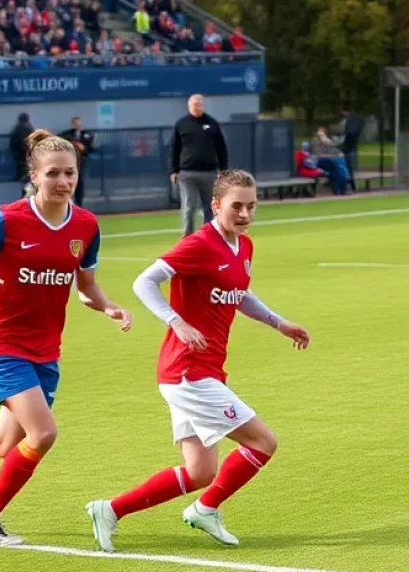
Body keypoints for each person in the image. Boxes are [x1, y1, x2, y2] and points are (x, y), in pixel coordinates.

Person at [86, 170, 310, 552]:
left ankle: (109, 510)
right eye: (236, 205)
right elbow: (144, 281)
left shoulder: (244, 247)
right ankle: (206, 509)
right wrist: (177, 321)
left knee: (200, 471)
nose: (244, 213)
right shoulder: (199, 243)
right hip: (188, 371)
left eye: (251, 206)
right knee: (263, 443)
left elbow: (239, 294)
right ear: (216, 204)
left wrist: (278, 322)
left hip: (201, 370)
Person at [0, 131, 132, 546]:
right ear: (34, 176)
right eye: (53, 173)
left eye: (69, 172)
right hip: (3, 345)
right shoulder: (7, 219)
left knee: (5, 445)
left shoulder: (86, 225)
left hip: (46, 349)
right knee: (43, 434)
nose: (63, 181)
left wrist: (108, 306)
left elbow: (86, 285)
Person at [170, 94, 228, 236]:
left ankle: (207, 236)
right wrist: (173, 170)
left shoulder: (212, 123)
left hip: (209, 172)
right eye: (194, 104)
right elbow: (174, 149)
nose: (196, 106)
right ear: (189, 106)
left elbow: (221, 148)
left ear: (202, 105)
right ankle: (188, 236)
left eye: (199, 104)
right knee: (189, 205)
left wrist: (224, 169)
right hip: (187, 173)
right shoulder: (181, 124)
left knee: (210, 207)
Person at [60, 116, 95, 207]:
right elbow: (61, 137)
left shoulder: (86, 134)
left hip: (81, 162)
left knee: (79, 181)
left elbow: (90, 148)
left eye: (79, 123)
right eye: (75, 123)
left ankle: (79, 204)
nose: (78, 125)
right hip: (69, 162)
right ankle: (68, 203)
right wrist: (75, 142)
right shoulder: (69, 134)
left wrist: (83, 147)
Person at [339, 105, 363, 192]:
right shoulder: (354, 119)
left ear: (346, 111)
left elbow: (351, 133)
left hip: (350, 146)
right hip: (351, 146)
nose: (341, 114)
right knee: (349, 167)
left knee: (350, 166)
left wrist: (345, 142)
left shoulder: (352, 120)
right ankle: (351, 185)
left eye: (342, 112)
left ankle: (351, 186)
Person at [9, 112, 33, 186]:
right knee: (26, 165)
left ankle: (21, 177)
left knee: (20, 165)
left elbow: (13, 141)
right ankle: (26, 178)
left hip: (20, 151)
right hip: (26, 151)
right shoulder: (29, 128)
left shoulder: (17, 128)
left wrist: (14, 151)